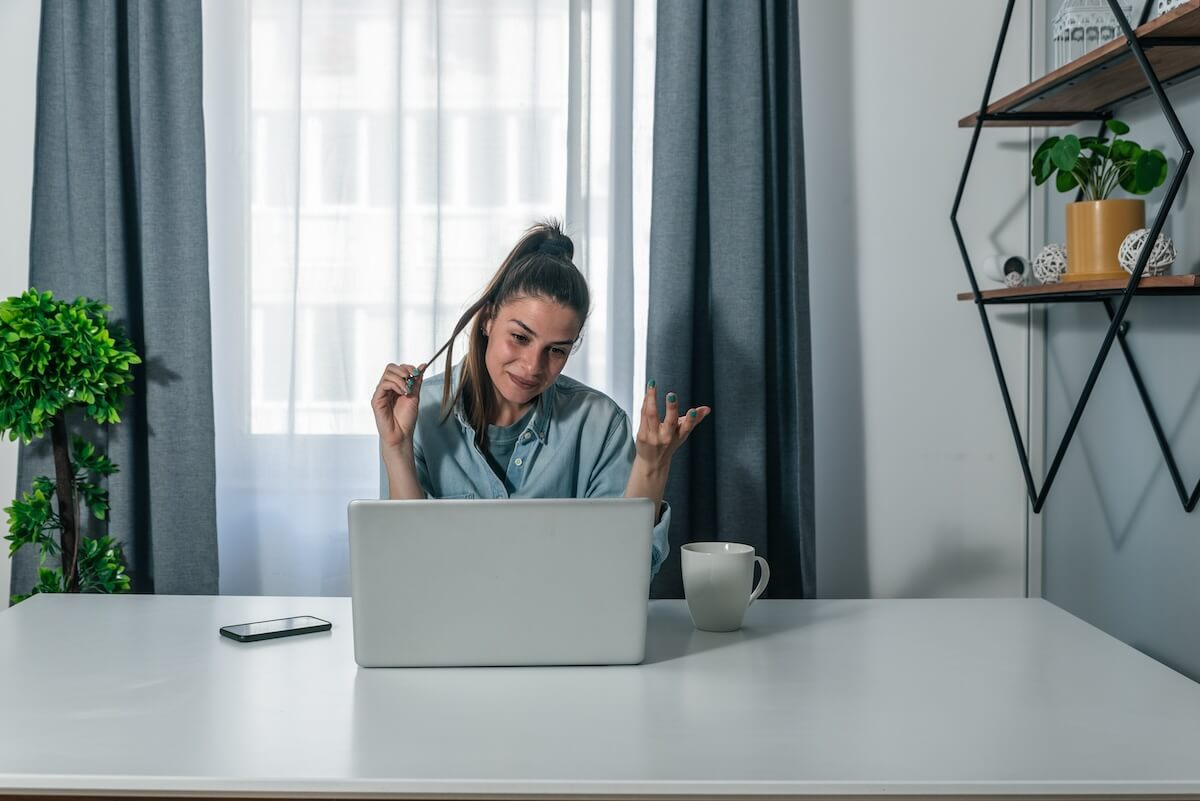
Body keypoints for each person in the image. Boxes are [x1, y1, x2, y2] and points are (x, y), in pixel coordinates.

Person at [371, 220, 710, 578]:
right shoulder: (416, 414)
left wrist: (651, 466)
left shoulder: (600, 425)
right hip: (445, 631)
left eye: (556, 351)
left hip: (567, 633)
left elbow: (621, 577)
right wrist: (396, 448)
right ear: (487, 320)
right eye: (519, 337)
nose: (533, 366)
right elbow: (409, 570)